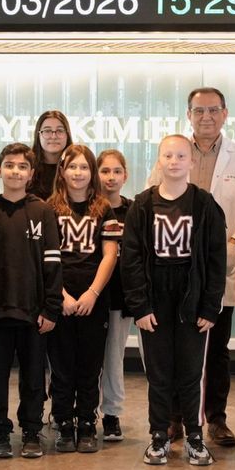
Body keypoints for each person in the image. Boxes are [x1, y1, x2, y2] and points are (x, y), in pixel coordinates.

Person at [148, 87, 235, 446]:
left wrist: (233, 244)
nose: (206, 117)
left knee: (216, 349)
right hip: (174, 268)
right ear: (189, 115)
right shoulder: (175, 152)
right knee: (174, 347)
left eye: (213, 110)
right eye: (199, 111)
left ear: (225, 114)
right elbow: (152, 198)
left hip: (218, 266)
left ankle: (216, 418)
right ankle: (175, 418)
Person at [123, 134, 226, 466]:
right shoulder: (142, 204)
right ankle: (159, 435)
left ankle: (195, 435)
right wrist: (140, 306)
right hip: (155, 299)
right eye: (168, 156)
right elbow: (131, 259)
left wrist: (210, 305)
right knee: (159, 372)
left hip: (191, 299)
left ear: (191, 161)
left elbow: (216, 259)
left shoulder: (204, 204)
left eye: (181, 156)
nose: (174, 162)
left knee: (191, 371)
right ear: (159, 160)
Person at [0, 143, 63, 459]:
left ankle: (31, 430)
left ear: (31, 173)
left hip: (34, 312)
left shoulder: (43, 212)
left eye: (22, 166)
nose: (15, 171)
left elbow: (53, 263)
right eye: (9, 165)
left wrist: (51, 308)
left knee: (34, 376)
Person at [46, 145, 120, 453]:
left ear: (92, 173)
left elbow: (110, 255)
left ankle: (87, 422)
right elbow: (46, 258)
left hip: (94, 300)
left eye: (84, 167)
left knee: (90, 366)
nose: (78, 173)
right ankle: (64, 422)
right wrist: (61, 295)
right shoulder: (48, 208)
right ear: (62, 172)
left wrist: (92, 293)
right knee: (62, 366)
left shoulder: (104, 209)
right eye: (72, 167)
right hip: (59, 299)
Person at [96, 149, 132, 442]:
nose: (111, 177)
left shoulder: (135, 210)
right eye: (105, 171)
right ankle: (72, 411)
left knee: (113, 357)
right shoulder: (89, 209)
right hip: (88, 295)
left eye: (116, 171)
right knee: (82, 357)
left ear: (125, 176)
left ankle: (111, 413)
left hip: (120, 295)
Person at [28, 110, 73, 199]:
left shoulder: (75, 167)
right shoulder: (27, 166)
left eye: (60, 131)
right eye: (47, 131)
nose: (53, 136)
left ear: (67, 135)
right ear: (38, 135)